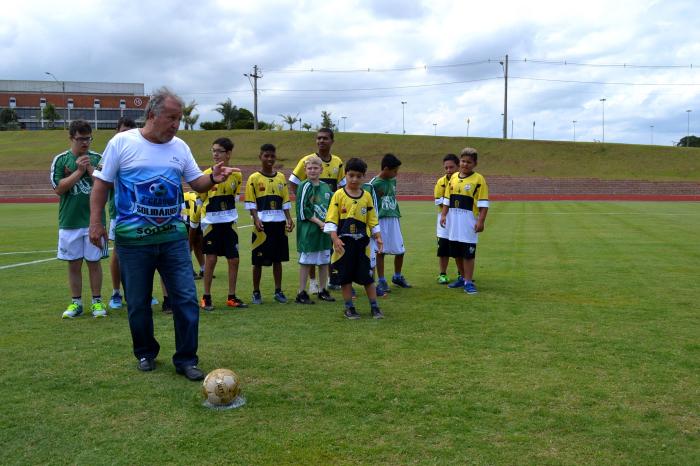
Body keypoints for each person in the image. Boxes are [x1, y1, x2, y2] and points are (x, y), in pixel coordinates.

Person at [89, 87, 235, 381]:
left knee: (185, 298)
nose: (176, 124)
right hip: (133, 242)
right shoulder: (121, 143)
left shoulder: (179, 147)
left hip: (173, 240)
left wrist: (213, 179)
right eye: (171, 117)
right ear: (152, 115)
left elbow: (196, 182)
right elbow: (102, 184)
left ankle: (186, 359)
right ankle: (145, 352)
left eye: (179, 119)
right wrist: (96, 222)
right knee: (139, 302)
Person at [107, 117, 170, 313]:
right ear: (117, 131)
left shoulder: (142, 150)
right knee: (118, 253)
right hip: (121, 214)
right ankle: (117, 292)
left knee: (150, 253)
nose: (126, 134)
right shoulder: (115, 150)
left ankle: (146, 292)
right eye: (122, 130)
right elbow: (102, 181)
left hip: (145, 215)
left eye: (129, 131)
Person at [50, 119, 107, 319]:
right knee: (73, 264)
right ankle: (76, 303)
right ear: (71, 138)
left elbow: (107, 184)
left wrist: (90, 169)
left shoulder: (98, 158)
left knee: (94, 262)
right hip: (69, 221)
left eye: (88, 138)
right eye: (80, 139)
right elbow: (58, 189)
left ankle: (97, 302)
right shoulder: (60, 160)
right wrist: (78, 172)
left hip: (94, 221)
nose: (85, 143)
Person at [324, 158, 384, 320]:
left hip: (362, 245)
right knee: (346, 277)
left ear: (364, 177)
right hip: (343, 245)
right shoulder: (338, 195)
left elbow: (372, 218)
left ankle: (375, 307)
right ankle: (349, 308)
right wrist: (335, 238)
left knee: (367, 277)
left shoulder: (367, 196)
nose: (354, 179)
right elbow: (331, 219)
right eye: (351, 175)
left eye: (359, 176)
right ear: (345, 175)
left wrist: (378, 236)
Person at [289, 128, 345, 293]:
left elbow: (341, 188)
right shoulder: (306, 160)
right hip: (312, 218)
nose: (321, 141)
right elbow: (293, 182)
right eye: (318, 138)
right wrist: (304, 199)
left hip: (327, 215)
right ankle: (311, 283)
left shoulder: (337, 162)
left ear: (332, 141)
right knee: (309, 254)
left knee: (325, 252)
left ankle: (326, 284)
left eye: (325, 138)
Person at [198, 137, 247, 311]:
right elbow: (200, 200)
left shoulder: (237, 174)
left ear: (228, 154)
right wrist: (198, 223)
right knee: (210, 259)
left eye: (219, 151)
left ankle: (231, 297)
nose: (215, 154)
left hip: (230, 223)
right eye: (213, 150)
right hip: (211, 224)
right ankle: (206, 297)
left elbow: (234, 197)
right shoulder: (206, 175)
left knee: (234, 259)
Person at [244, 143, 294, 305]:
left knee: (278, 260)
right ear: (260, 157)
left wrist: (289, 218)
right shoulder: (254, 178)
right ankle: (256, 292)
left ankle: (278, 291)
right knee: (257, 261)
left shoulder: (280, 177)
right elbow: (251, 202)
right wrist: (256, 219)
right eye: (266, 156)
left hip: (279, 225)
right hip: (262, 226)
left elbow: (285, 201)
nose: (270, 159)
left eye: (272, 156)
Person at [440, 148, 490, 294]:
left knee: (468, 254)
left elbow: (483, 203)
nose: (465, 164)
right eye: (463, 161)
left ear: (475, 163)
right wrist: (443, 215)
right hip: (453, 223)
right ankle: (462, 278)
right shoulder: (454, 177)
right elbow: (447, 199)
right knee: (457, 253)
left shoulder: (479, 179)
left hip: (469, 223)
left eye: (469, 162)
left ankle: (469, 282)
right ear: (459, 161)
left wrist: (480, 221)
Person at [294, 155, 335, 304]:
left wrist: (329, 223)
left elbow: (332, 207)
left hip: (324, 231)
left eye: (315, 168)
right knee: (306, 261)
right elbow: (303, 211)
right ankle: (301, 292)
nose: (312, 171)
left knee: (324, 260)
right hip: (309, 230)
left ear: (321, 169)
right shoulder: (305, 186)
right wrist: (320, 223)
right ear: (305, 169)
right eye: (309, 168)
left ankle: (323, 290)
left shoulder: (325, 187)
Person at [370, 153, 411, 294]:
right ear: (386, 169)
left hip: (393, 218)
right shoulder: (373, 185)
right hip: (380, 220)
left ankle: (397, 276)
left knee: (401, 250)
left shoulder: (393, 180)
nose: (396, 174)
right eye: (395, 171)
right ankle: (381, 280)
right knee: (380, 251)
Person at [434, 153, 460, 284]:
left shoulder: (463, 181)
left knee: (459, 246)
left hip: (459, 218)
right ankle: (442, 274)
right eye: (446, 168)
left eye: (451, 167)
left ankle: (462, 274)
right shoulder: (440, 182)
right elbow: (439, 201)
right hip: (444, 219)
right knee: (443, 247)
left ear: (458, 166)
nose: (449, 170)